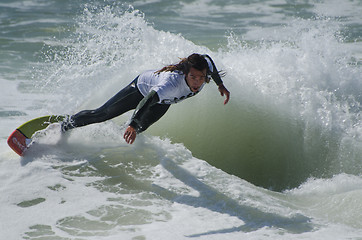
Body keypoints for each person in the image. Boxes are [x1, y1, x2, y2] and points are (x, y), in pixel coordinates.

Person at [61, 53, 230, 144]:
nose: (198, 82)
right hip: (141, 90)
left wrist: (220, 84)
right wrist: (133, 124)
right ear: (185, 73)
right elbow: (147, 100)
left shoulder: (203, 69)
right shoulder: (170, 84)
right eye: (193, 77)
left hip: (165, 101)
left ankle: (108, 137)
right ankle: (64, 125)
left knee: (140, 128)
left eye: (201, 77)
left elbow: (208, 60)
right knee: (102, 114)